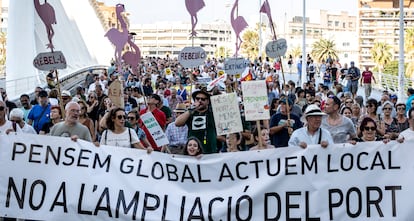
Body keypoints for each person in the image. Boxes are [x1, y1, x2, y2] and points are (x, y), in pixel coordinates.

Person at [175, 88, 218, 154]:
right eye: (197, 99)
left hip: (209, 150)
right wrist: (191, 110)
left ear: (208, 101)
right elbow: (177, 123)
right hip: (193, 150)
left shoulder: (212, 113)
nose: (200, 101)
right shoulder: (190, 113)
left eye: (203, 99)